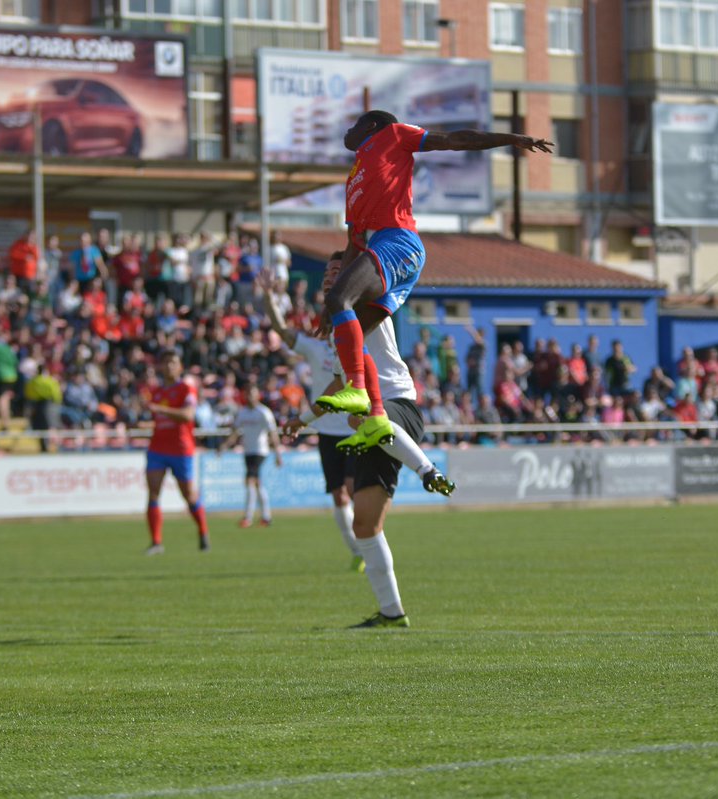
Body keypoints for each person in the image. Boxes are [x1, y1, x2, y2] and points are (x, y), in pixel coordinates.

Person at [315, 109, 553, 453]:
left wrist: (510, 139)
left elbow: (454, 140)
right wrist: (333, 305)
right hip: (383, 248)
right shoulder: (355, 178)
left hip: (398, 242)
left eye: (354, 125)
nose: (347, 131)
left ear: (372, 126)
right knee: (349, 337)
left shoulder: (392, 134)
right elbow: (353, 244)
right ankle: (376, 416)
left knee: (340, 305)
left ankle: (356, 391)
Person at [286, 255, 451, 630]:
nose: (330, 278)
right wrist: (303, 420)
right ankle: (392, 612)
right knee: (364, 524)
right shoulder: (338, 328)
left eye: (338, 272)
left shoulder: (366, 304)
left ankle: (428, 471)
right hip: (378, 426)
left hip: (398, 407)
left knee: (358, 416)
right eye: (327, 273)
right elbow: (339, 382)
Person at [143, 349, 209, 555]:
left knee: (189, 496)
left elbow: (188, 415)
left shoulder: (186, 389)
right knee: (153, 492)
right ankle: (156, 542)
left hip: (181, 449)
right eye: (166, 363)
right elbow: (158, 420)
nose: (169, 366)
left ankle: (203, 531)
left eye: (173, 362)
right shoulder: (156, 392)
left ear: (180, 367)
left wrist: (160, 410)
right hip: (157, 448)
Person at [219, 384, 282, 528]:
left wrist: (278, 454)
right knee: (257, 483)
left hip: (260, 451)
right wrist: (224, 446)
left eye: (252, 394)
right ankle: (266, 517)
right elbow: (235, 432)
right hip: (248, 451)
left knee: (249, 481)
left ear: (257, 395)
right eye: (247, 394)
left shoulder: (263, 412)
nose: (250, 397)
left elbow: (273, 433)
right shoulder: (243, 412)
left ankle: (247, 517)